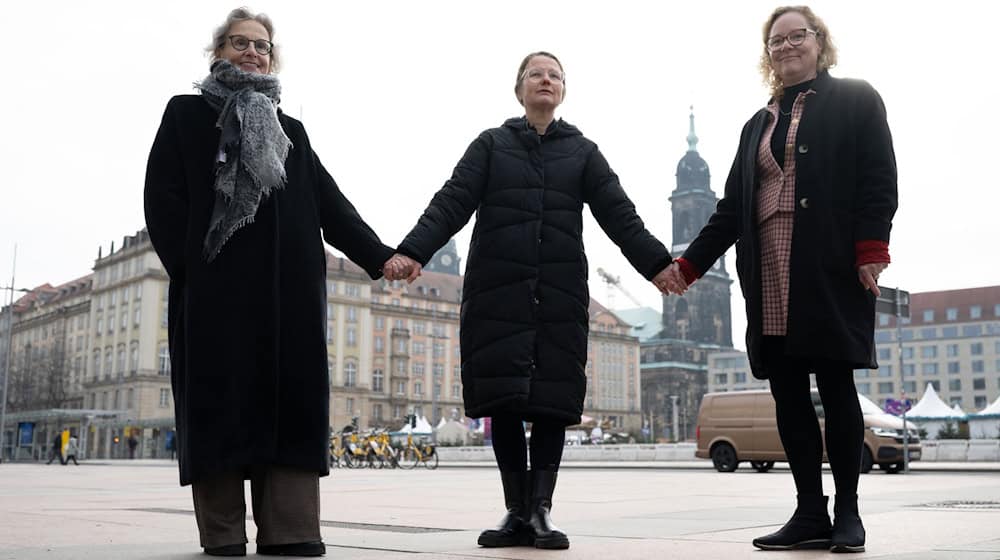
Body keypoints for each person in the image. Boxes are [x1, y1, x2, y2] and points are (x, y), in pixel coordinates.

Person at [384, 51, 674, 550]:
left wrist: (658, 265)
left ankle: (539, 510)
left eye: (555, 75)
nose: (546, 80)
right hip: (498, 294)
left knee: (550, 404)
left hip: (558, 297)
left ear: (563, 91)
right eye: (536, 74)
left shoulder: (583, 153)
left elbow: (620, 215)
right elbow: (451, 200)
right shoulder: (491, 145)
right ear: (519, 90)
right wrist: (413, 251)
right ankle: (515, 510)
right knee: (503, 402)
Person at [144, 7, 394, 557]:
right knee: (220, 404)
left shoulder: (291, 131)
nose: (252, 52)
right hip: (216, 295)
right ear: (218, 51)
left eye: (262, 45)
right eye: (240, 43)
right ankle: (224, 533)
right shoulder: (186, 113)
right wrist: (192, 271)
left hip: (290, 298)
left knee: (290, 405)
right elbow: (162, 199)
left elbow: (330, 204)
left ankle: (291, 528)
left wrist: (382, 257)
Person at [661, 5, 896, 554]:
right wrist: (690, 266)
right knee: (788, 393)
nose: (787, 46)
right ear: (768, 54)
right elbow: (730, 208)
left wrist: (871, 249)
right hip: (767, 262)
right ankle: (809, 512)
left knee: (836, 387)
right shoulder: (756, 124)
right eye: (777, 41)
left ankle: (848, 515)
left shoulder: (857, 100)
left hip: (829, 261)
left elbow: (879, 178)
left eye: (798, 37)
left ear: (820, 42)